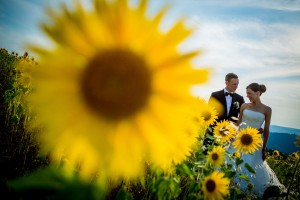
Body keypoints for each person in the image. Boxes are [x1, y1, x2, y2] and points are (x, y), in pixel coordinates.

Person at [231, 83, 286, 198]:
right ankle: (233, 189)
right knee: (234, 163)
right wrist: (230, 133)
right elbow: (239, 122)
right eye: (247, 94)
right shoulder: (244, 106)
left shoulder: (267, 109)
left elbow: (266, 130)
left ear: (257, 93)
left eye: (249, 93)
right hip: (239, 139)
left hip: (254, 142)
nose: (248, 96)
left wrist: (264, 148)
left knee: (250, 166)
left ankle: (248, 192)